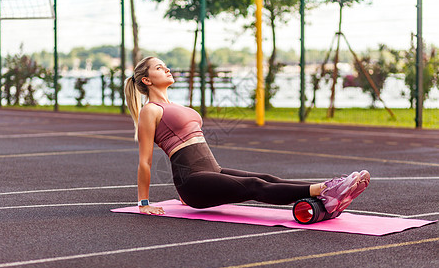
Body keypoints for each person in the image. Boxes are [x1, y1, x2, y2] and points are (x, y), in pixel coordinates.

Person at [124, 56, 370, 215]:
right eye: (159, 68)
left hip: (212, 172)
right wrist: (144, 203)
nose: (166, 68)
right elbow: (145, 160)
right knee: (254, 186)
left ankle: (328, 193)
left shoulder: (174, 105)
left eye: (165, 64)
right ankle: (327, 189)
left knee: (264, 176)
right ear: (146, 79)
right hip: (192, 182)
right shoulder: (150, 110)